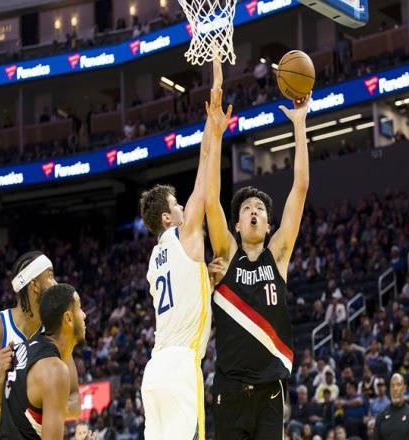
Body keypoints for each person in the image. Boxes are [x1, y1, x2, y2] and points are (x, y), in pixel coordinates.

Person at [205, 55, 310, 438]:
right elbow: (211, 199)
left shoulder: (277, 255)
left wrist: (299, 124)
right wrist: (216, 135)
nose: (253, 211)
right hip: (229, 392)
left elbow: (300, 189)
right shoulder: (226, 253)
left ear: (268, 225)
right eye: (247, 208)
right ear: (236, 224)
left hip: (269, 393)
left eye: (260, 210)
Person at [139, 59, 226, 440]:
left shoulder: (153, 259)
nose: (183, 209)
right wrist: (213, 124)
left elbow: (182, 290)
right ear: (167, 218)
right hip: (179, 367)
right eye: (177, 205)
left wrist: (205, 281)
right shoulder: (182, 232)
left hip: (154, 370)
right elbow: (204, 177)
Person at [0, 252, 81, 439]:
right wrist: (0, 377)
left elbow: (75, 403)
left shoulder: (56, 332)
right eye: (50, 276)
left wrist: (42, 400)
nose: (56, 284)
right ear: (35, 285)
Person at [0, 283, 93, 439]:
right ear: (68, 318)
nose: (84, 315)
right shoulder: (54, 369)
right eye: (79, 308)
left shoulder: (22, 350)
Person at [373, 373, 409, 440]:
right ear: (389, 389)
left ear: (404, 388)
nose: (395, 389)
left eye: (398, 385)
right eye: (392, 386)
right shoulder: (381, 417)